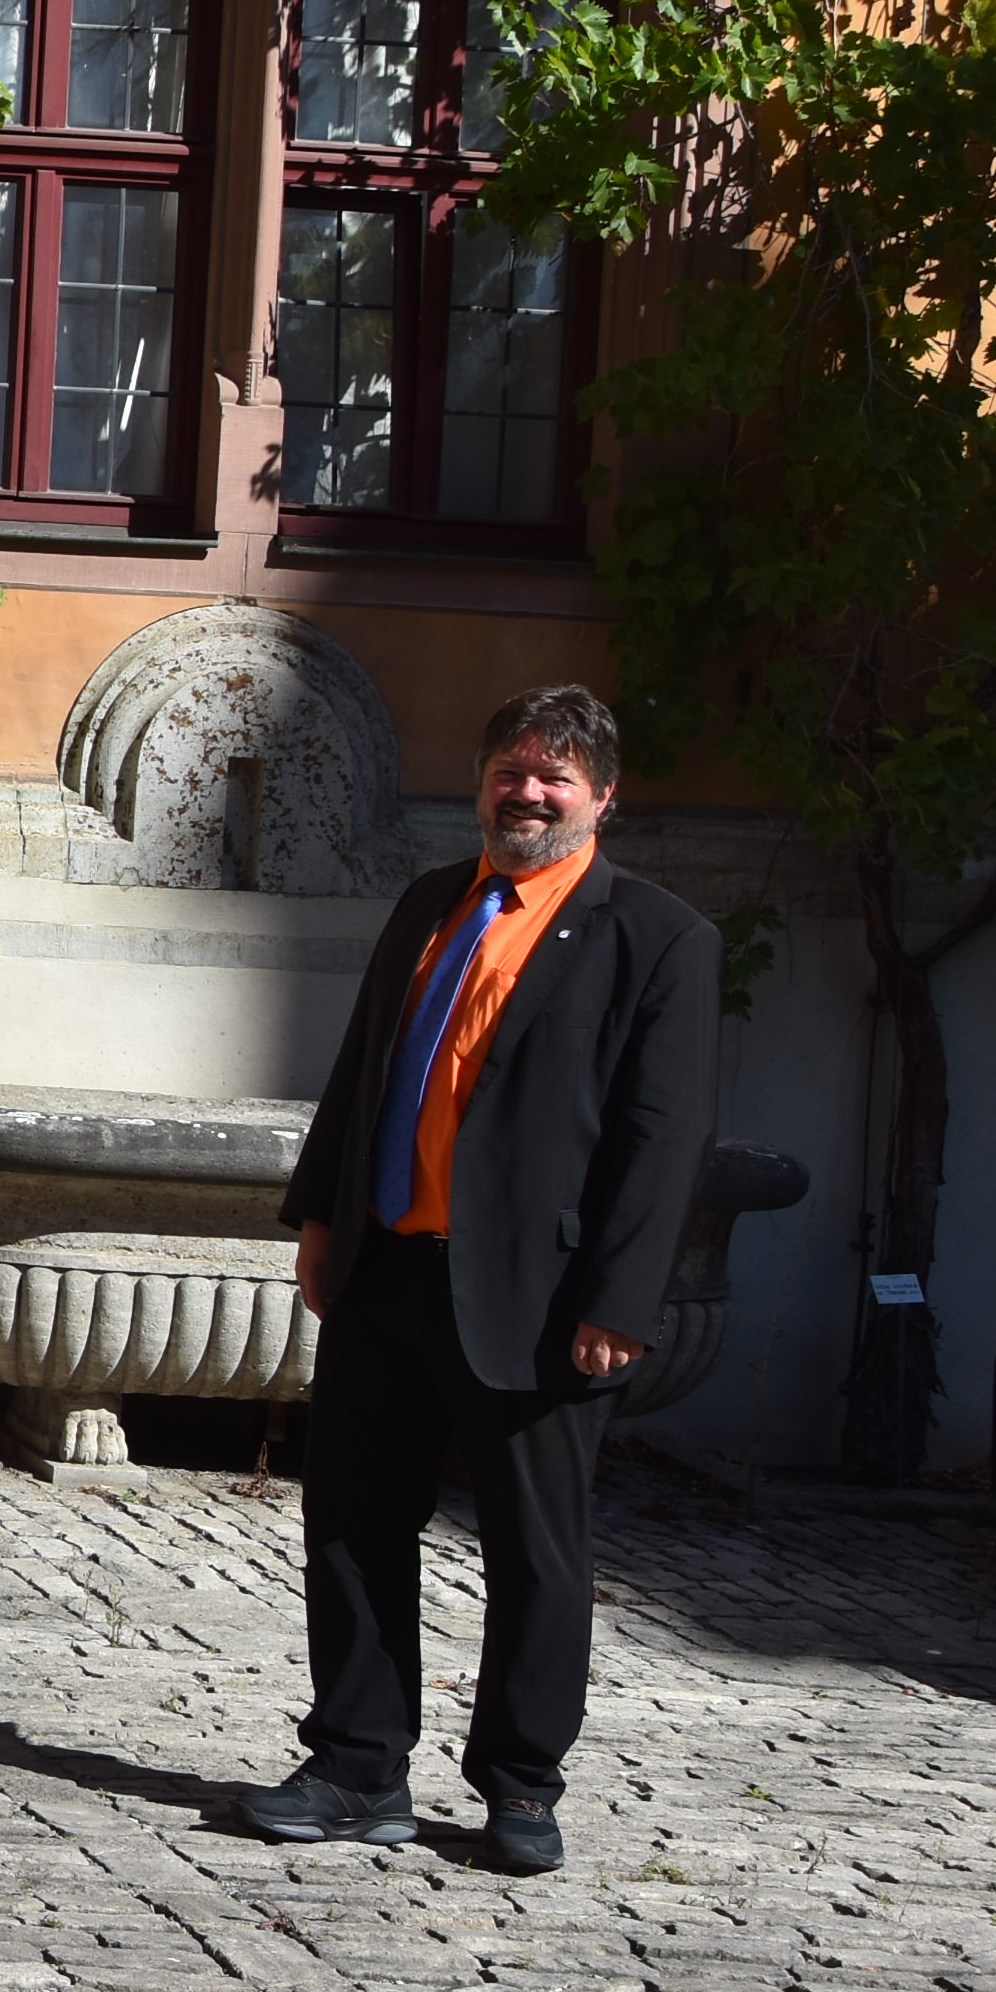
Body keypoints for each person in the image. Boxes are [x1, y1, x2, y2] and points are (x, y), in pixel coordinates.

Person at [243, 683, 717, 1877]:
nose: (528, 793)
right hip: (387, 1267)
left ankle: (518, 1783)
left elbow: (661, 1139)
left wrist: (619, 1299)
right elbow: (361, 1071)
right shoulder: (429, 903)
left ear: (602, 797)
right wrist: (320, 1218)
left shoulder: (655, 937)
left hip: (538, 1297)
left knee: (534, 1551)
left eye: (555, 777)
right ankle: (355, 1767)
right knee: (351, 1525)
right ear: (481, 782)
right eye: (511, 770)